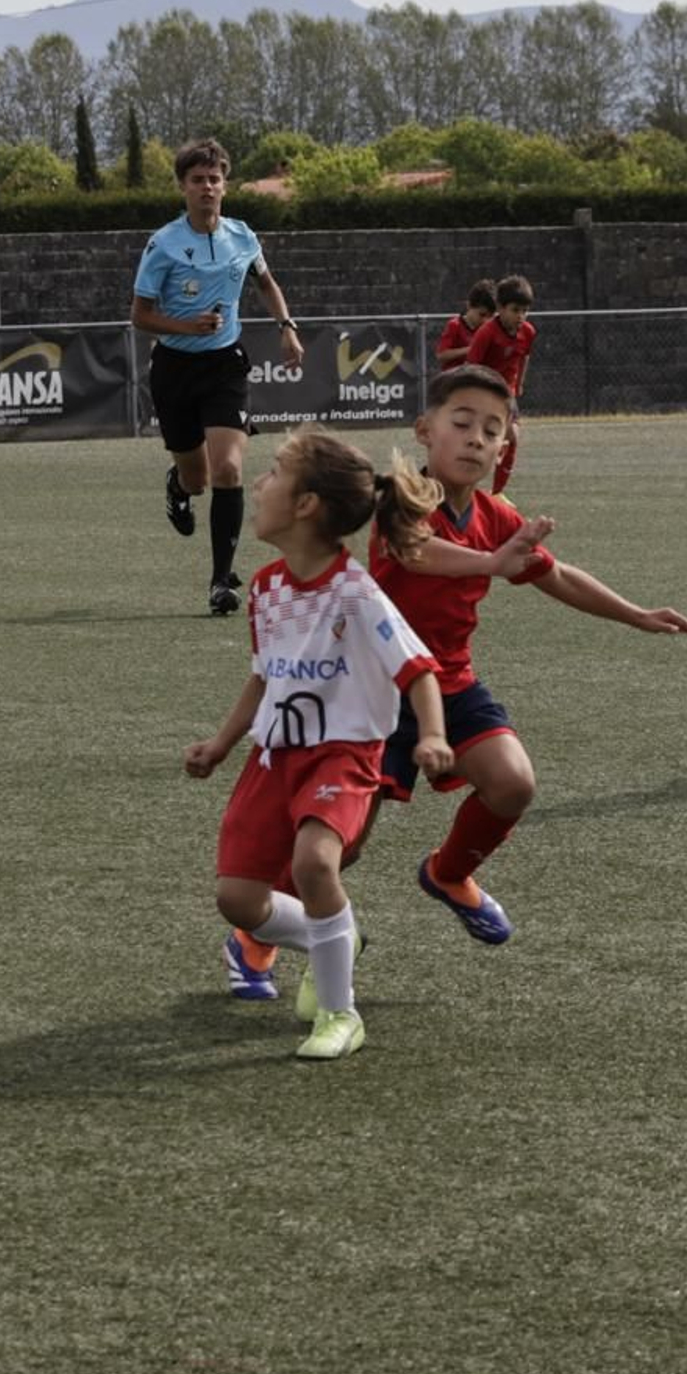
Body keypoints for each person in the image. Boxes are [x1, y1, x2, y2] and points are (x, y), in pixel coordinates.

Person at [366, 364, 687, 948]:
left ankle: (448, 874)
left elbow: (558, 576)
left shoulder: (496, 515)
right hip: (372, 690)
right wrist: (491, 563)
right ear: (425, 429)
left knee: (513, 783)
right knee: (340, 842)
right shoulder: (400, 495)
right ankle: (262, 928)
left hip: (448, 683)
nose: (476, 438)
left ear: (505, 446)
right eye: (462, 421)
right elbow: (415, 550)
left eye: (492, 430)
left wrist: (638, 614)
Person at [182, 429, 455, 1062]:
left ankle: (340, 1013)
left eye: (274, 472)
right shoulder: (266, 589)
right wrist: (222, 744)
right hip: (272, 759)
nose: (259, 483)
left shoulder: (357, 594)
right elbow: (263, 674)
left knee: (313, 863)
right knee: (238, 898)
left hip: (342, 756)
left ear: (307, 505)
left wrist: (434, 735)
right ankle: (335, 935)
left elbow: (418, 669)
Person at [131, 137, 303, 618]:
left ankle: (219, 581)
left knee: (229, 468)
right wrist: (185, 326)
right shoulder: (163, 244)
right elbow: (140, 315)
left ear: (224, 185)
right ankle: (178, 487)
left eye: (214, 179)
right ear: (183, 188)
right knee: (199, 478)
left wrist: (286, 327)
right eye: (197, 180)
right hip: (174, 369)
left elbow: (266, 282)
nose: (207, 187)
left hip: (226, 365)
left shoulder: (243, 237)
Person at [464, 274, 536, 494]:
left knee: (513, 436)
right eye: (515, 310)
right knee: (476, 441)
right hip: (484, 392)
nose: (521, 316)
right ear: (500, 308)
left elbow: (524, 357)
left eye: (525, 310)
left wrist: (519, 383)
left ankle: (497, 494)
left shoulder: (528, 332)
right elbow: (471, 365)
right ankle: (463, 484)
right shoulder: (487, 333)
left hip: (507, 392)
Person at [436, 277, 497, 369]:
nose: (485, 321)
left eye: (489, 317)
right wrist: (470, 349)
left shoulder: (488, 330)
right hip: (454, 380)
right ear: (469, 305)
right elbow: (441, 355)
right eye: (482, 315)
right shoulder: (455, 325)